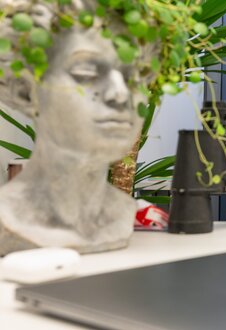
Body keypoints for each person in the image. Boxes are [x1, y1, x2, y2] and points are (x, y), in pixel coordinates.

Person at [0, 0, 151, 255]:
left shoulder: (122, 215)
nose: (120, 94)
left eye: (133, 77)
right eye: (86, 73)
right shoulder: (8, 216)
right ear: (28, 91)